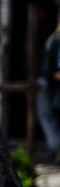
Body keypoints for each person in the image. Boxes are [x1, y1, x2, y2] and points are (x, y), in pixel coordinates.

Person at [39, 18, 60, 160]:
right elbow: (48, 67)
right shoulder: (54, 41)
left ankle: (56, 147)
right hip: (52, 86)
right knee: (46, 113)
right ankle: (56, 147)